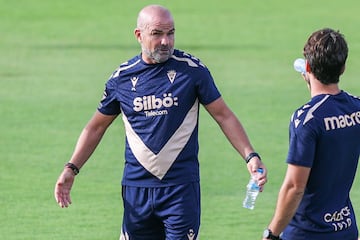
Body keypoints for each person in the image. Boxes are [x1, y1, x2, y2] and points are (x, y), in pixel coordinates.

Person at [54, 4, 267, 240]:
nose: (166, 41)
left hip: (180, 190)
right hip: (136, 190)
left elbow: (223, 115)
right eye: (157, 34)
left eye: (171, 33)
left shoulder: (192, 71)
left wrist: (250, 155)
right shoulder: (121, 78)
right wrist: (71, 168)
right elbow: (96, 127)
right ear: (139, 35)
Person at [262, 28, 360, 240]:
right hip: (346, 230)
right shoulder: (357, 109)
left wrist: (272, 233)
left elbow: (295, 186)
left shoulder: (306, 119)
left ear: (307, 67)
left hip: (307, 233)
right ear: (342, 68)